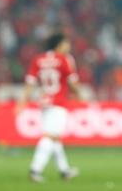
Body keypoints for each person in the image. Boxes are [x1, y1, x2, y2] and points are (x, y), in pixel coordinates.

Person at [17, 33, 81, 183]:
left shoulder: (38, 59)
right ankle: (35, 169)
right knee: (50, 136)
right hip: (58, 102)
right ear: (59, 45)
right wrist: (79, 95)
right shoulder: (64, 59)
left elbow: (30, 82)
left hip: (45, 102)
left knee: (55, 137)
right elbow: (72, 82)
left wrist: (23, 101)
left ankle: (64, 171)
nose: (68, 46)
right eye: (66, 43)